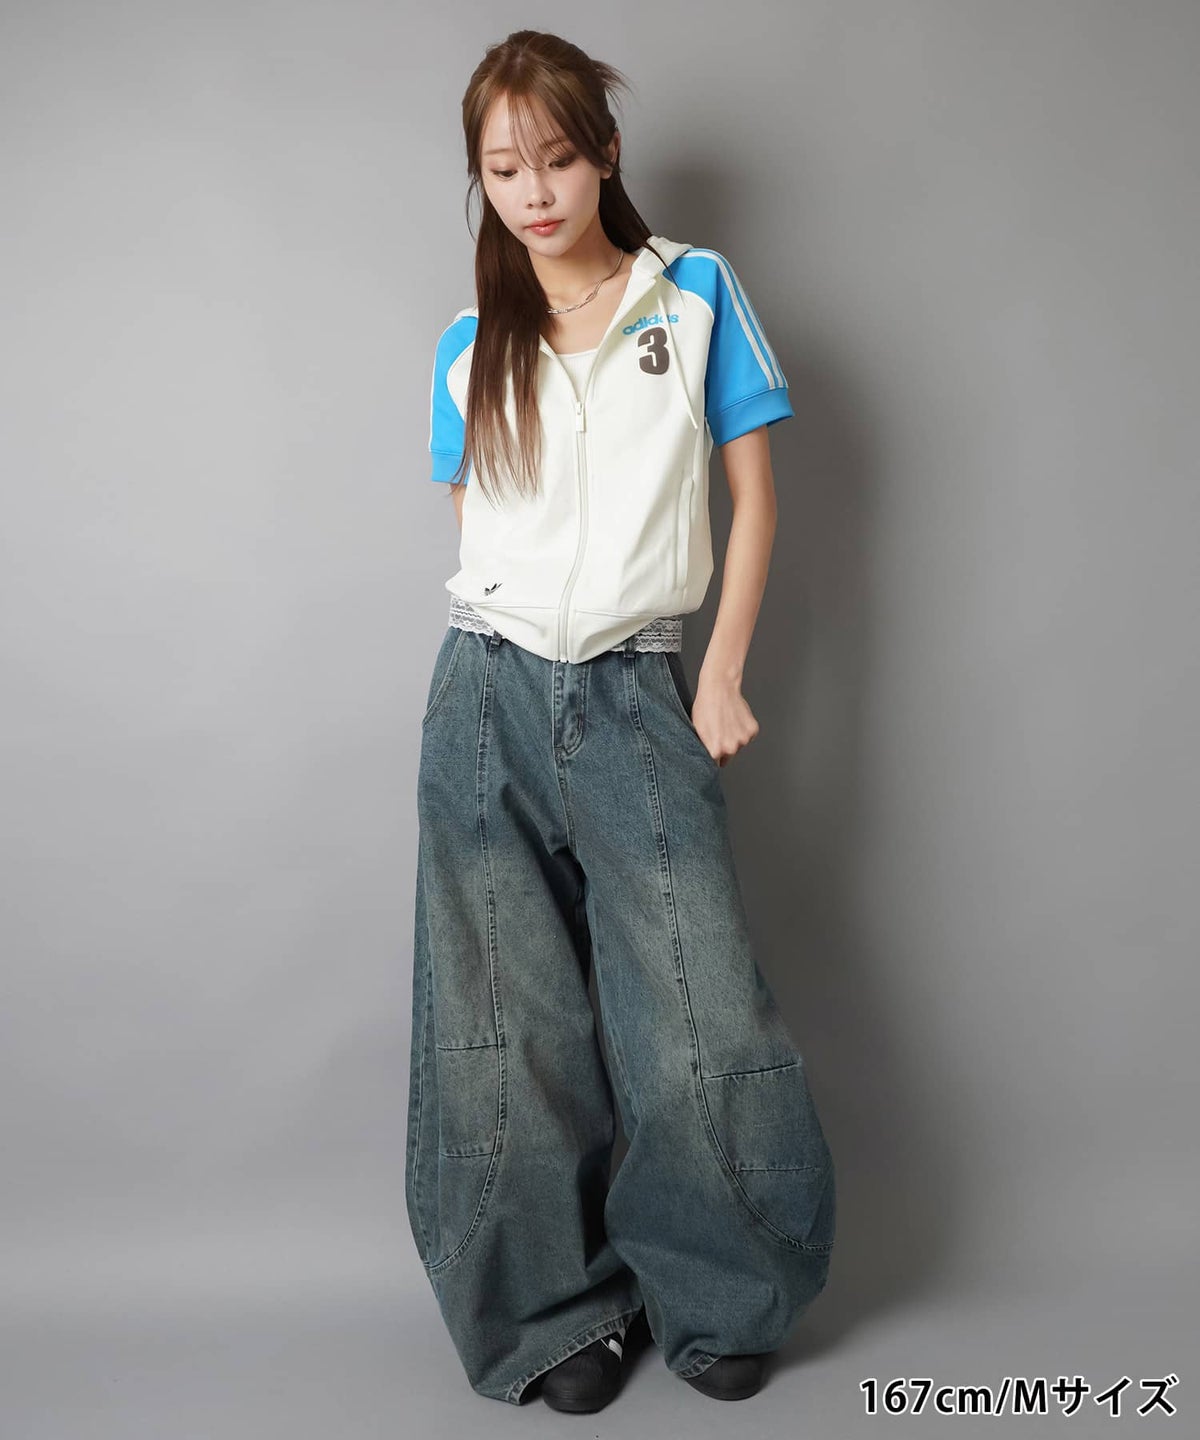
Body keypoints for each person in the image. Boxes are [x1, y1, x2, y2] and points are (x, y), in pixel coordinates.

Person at [405, 28, 836, 1413]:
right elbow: (477, 532)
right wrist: (497, 681)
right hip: (484, 695)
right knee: (503, 1018)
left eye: (556, 158)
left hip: (640, 684)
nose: (534, 191)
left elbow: (754, 500)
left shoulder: (693, 294)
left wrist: (721, 671)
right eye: (503, 169)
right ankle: (551, 1314)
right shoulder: (469, 346)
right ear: (482, 181)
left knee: (692, 1004)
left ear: (603, 152)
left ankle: (720, 1290)